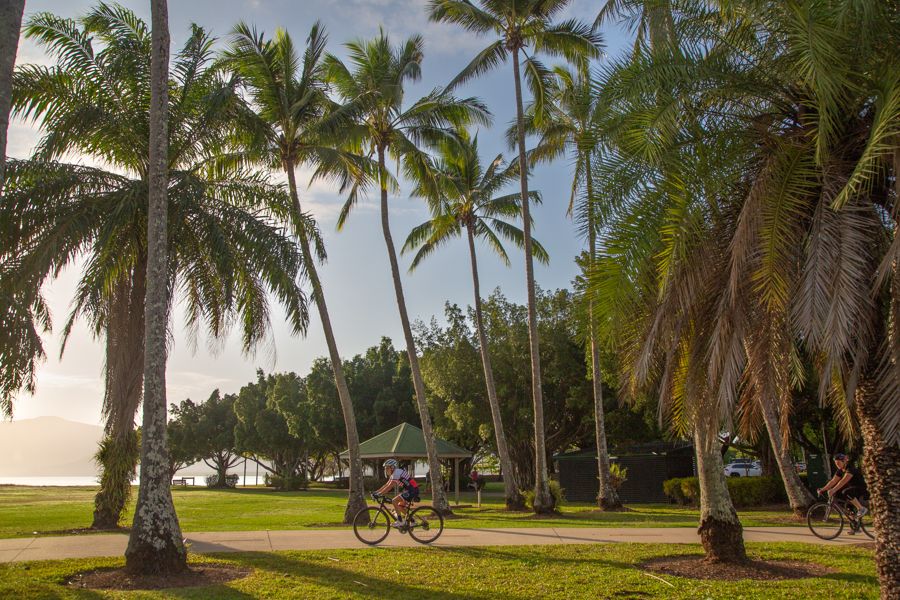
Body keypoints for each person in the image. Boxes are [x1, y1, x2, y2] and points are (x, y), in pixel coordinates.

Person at [817, 453, 869, 524]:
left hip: (861, 488)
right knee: (845, 504)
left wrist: (833, 489)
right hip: (852, 489)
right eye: (836, 463)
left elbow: (843, 481)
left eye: (838, 463)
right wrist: (822, 489)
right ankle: (855, 525)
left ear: (844, 461)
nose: (837, 465)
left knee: (845, 492)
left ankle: (861, 509)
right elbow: (833, 481)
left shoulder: (850, 468)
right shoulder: (840, 470)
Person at [373, 458, 420, 528]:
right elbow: (386, 485)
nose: (385, 470)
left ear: (392, 467)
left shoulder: (397, 473)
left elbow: (389, 487)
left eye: (387, 468)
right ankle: (413, 521)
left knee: (394, 501)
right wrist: (376, 492)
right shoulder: (394, 474)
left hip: (412, 490)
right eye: (385, 468)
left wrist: (379, 494)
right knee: (399, 506)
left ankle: (400, 521)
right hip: (409, 490)